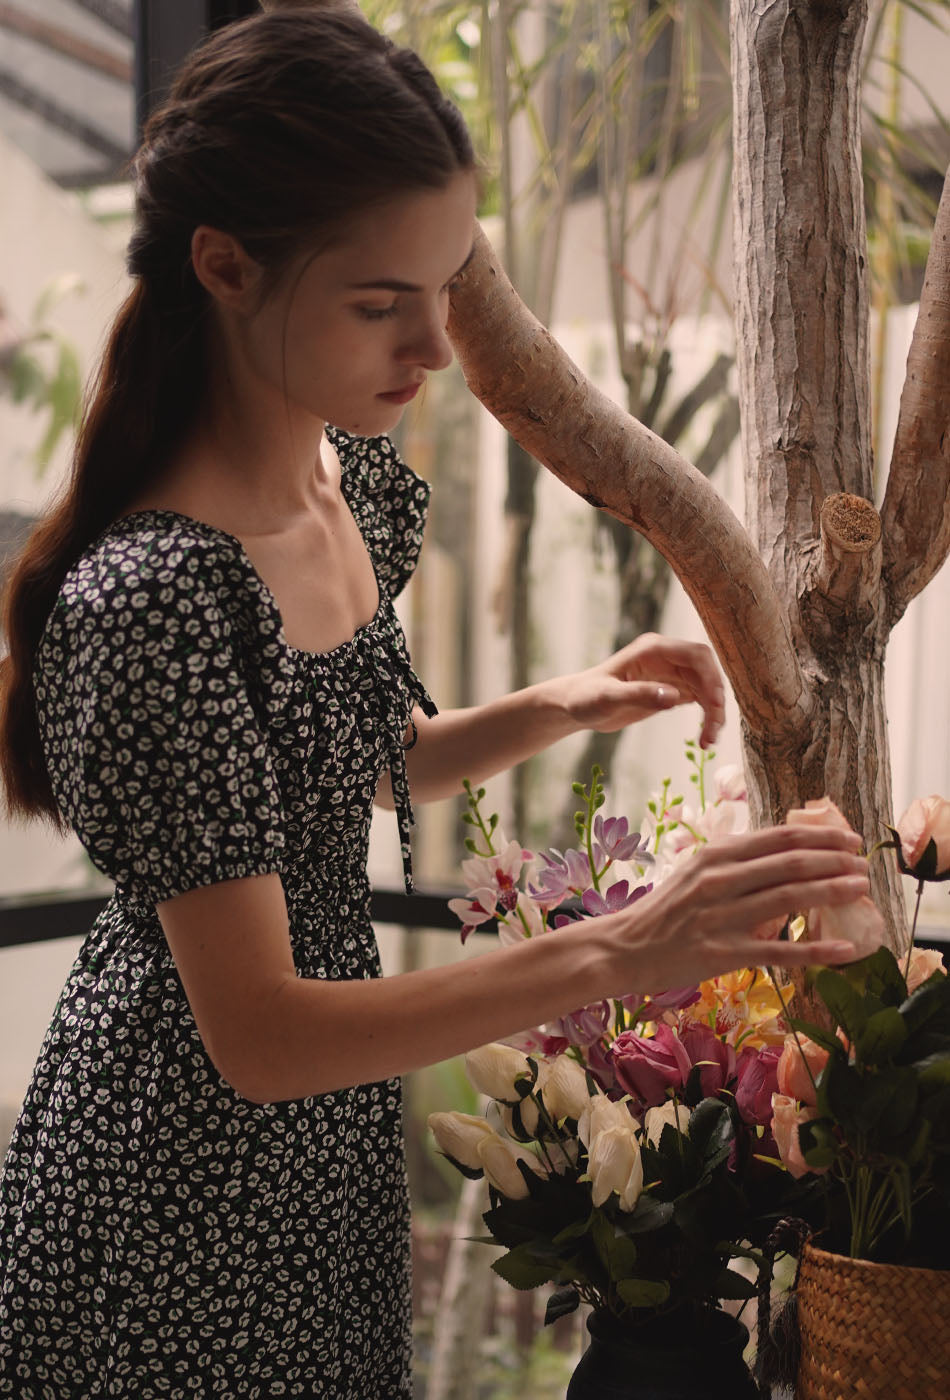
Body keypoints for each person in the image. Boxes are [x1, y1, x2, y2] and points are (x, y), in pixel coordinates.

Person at [0, 9, 869, 1397]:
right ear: (223, 266)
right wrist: (620, 950)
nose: (437, 346)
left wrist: (555, 704)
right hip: (166, 1188)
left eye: (444, 286)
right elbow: (263, 1032)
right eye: (378, 301)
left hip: (319, 1163)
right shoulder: (155, 596)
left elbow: (332, 762)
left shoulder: (343, 486)